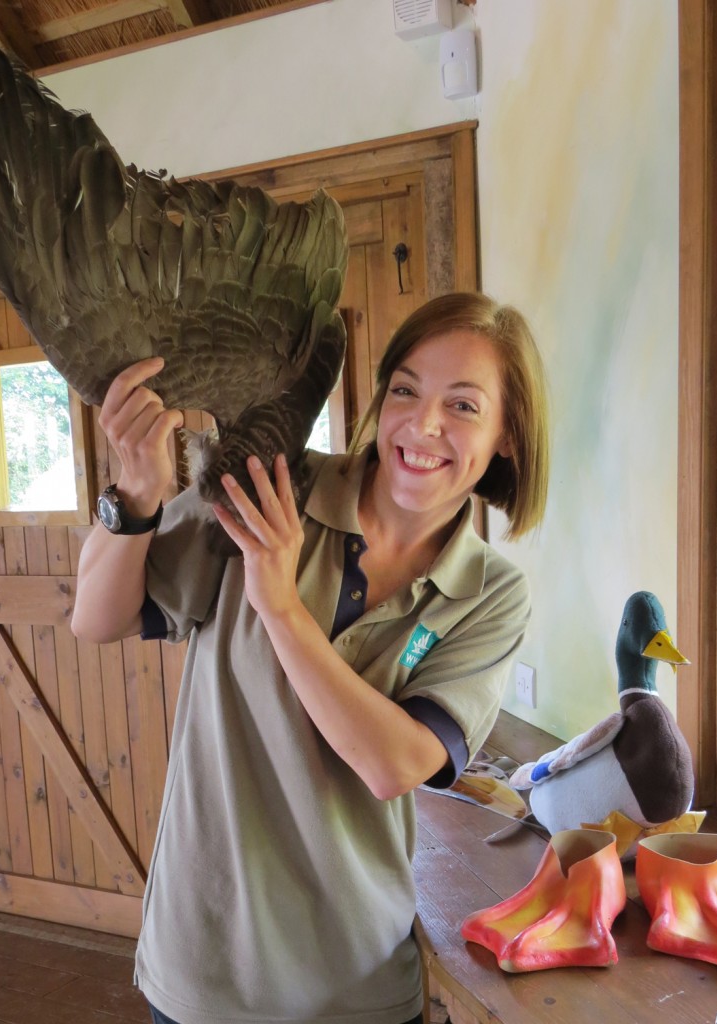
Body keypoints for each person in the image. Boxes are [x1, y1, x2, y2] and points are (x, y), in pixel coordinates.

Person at [71, 291, 550, 1024]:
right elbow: (96, 620)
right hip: (203, 966)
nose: (422, 425)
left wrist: (281, 606)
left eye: (462, 406)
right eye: (404, 390)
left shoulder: (489, 594)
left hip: (354, 986)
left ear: (508, 436)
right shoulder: (272, 484)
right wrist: (135, 496)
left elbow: (394, 765)